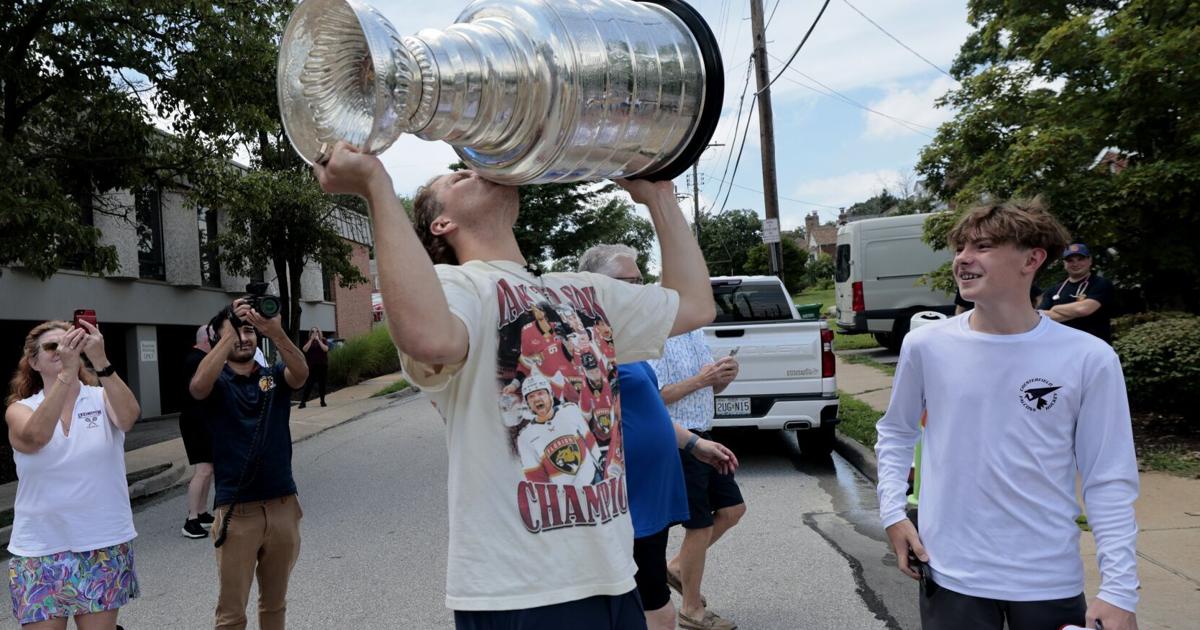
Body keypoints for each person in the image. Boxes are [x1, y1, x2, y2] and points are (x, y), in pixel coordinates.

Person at [312, 141, 715, 630]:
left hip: (615, 578)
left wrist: (658, 197)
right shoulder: (456, 288)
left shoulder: (581, 291)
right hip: (520, 594)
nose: (471, 169)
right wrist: (376, 185)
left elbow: (694, 305)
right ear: (443, 225)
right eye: (457, 177)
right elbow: (428, 336)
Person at [875, 200, 1139, 630]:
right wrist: (892, 513)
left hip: (1047, 582)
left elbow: (1108, 478)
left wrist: (1120, 590)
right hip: (951, 576)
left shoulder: (1089, 358)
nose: (963, 258)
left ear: (1032, 259)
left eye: (983, 246)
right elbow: (897, 432)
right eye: (960, 247)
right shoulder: (926, 346)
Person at [579, 244, 739, 630]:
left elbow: (647, 410)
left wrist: (694, 443)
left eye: (639, 280)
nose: (639, 289)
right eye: (628, 282)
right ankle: (689, 608)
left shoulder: (627, 340)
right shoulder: (584, 345)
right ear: (595, 285)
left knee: (650, 596)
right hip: (621, 494)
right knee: (648, 602)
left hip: (652, 492)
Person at [5, 319, 142, 629]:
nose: (62, 350)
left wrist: (101, 360)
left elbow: (129, 417)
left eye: (70, 343)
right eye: (52, 346)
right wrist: (67, 374)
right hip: (40, 550)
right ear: (33, 361)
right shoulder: (20, 408)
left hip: (102, 544)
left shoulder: (100, 396)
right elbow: (36, 436)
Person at [190, 299, 309, 630]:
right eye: (233, 333)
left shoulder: (271, 378)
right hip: (236, 513)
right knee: (231, 613)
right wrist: (227, 333)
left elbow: (300, 374)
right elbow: (198, 387)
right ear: (218, 340)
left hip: (283, 505)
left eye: (248, 331)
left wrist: (276, 331)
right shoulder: (217, 383)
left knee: (274, 605)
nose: (243, 338)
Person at [649, 327, 744, 630]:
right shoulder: (655, 333)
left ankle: (677, 566)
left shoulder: (695, 333)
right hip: (679, 439)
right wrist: (702, 379)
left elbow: (707, 389)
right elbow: (656, 396)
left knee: (732, 510)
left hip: (705, 433)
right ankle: (691, 610)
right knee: (699, 525)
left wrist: (721, 379)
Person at [1038, 243, 1115, 343]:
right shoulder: (1054, 290)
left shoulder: (1100, 284)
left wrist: (1055, 308)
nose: (1075, 264)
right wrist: (1073, 311)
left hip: (1095, 347)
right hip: (1062, 347)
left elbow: (1083, 309)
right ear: (1064, 264)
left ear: (1090, 260)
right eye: (1070, 260)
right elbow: (1041, 317)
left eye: (1080, 259)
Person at [181, 324, 217, 539]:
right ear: (207, 340)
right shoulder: (196, 360)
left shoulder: (197, 359)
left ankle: (202, 512)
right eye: (215, 338)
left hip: (202, 420)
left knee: (208, 468)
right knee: (203, 469)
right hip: (196, 421)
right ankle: (191, 519)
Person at [299, 327, 329, 408]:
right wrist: (311, 340)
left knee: (322, 385)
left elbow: (326, 349)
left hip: (322, 366)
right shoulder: (307, 341)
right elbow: (304, 349)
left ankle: (322, 401)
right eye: (312, 331)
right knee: (309, 384)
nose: (315, 333)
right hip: (311, 367)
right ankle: (303, 402)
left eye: (316, 331)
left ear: (319, 332)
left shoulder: (324, 340)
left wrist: (318, 340)